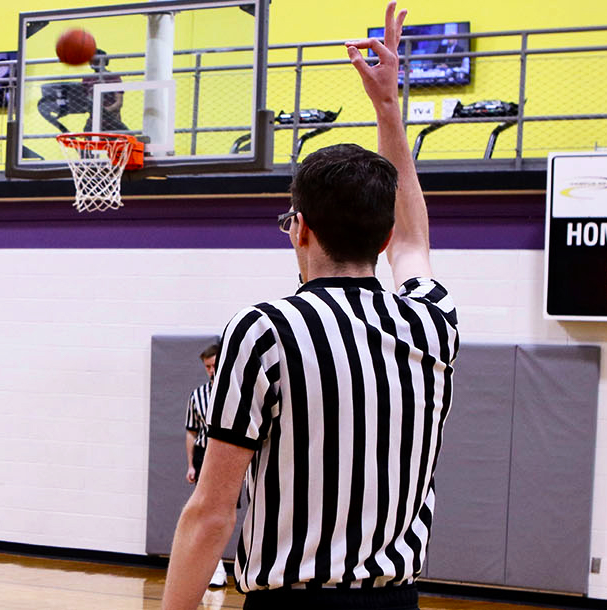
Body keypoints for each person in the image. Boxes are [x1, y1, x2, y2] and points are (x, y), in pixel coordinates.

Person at [163, 4, 459, 609]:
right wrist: (388, 109)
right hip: (395, 600)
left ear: (299, 229)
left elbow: (212, 515)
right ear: (380, 238)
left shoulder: (264, 329)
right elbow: (414, 239)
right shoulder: (432, 319)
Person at [182, 342, 226, 588]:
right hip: (203, 454)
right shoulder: (197, 395)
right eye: (207, 366)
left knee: (226, 511)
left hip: (229, 455)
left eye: (215, 365)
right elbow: (191, 432)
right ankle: (215, 568)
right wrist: (191, 464)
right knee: (208, 512)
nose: (211, 370)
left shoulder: (236, 391)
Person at [82, 49, 128, 132]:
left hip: (112, 119)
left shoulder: (113, 77)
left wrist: (104, 112)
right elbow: (83, 101)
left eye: (96, 61)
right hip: (94, 120)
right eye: (91, 61)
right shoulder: (87, 79)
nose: (93, 63)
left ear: (104, 61)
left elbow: (119, 102)